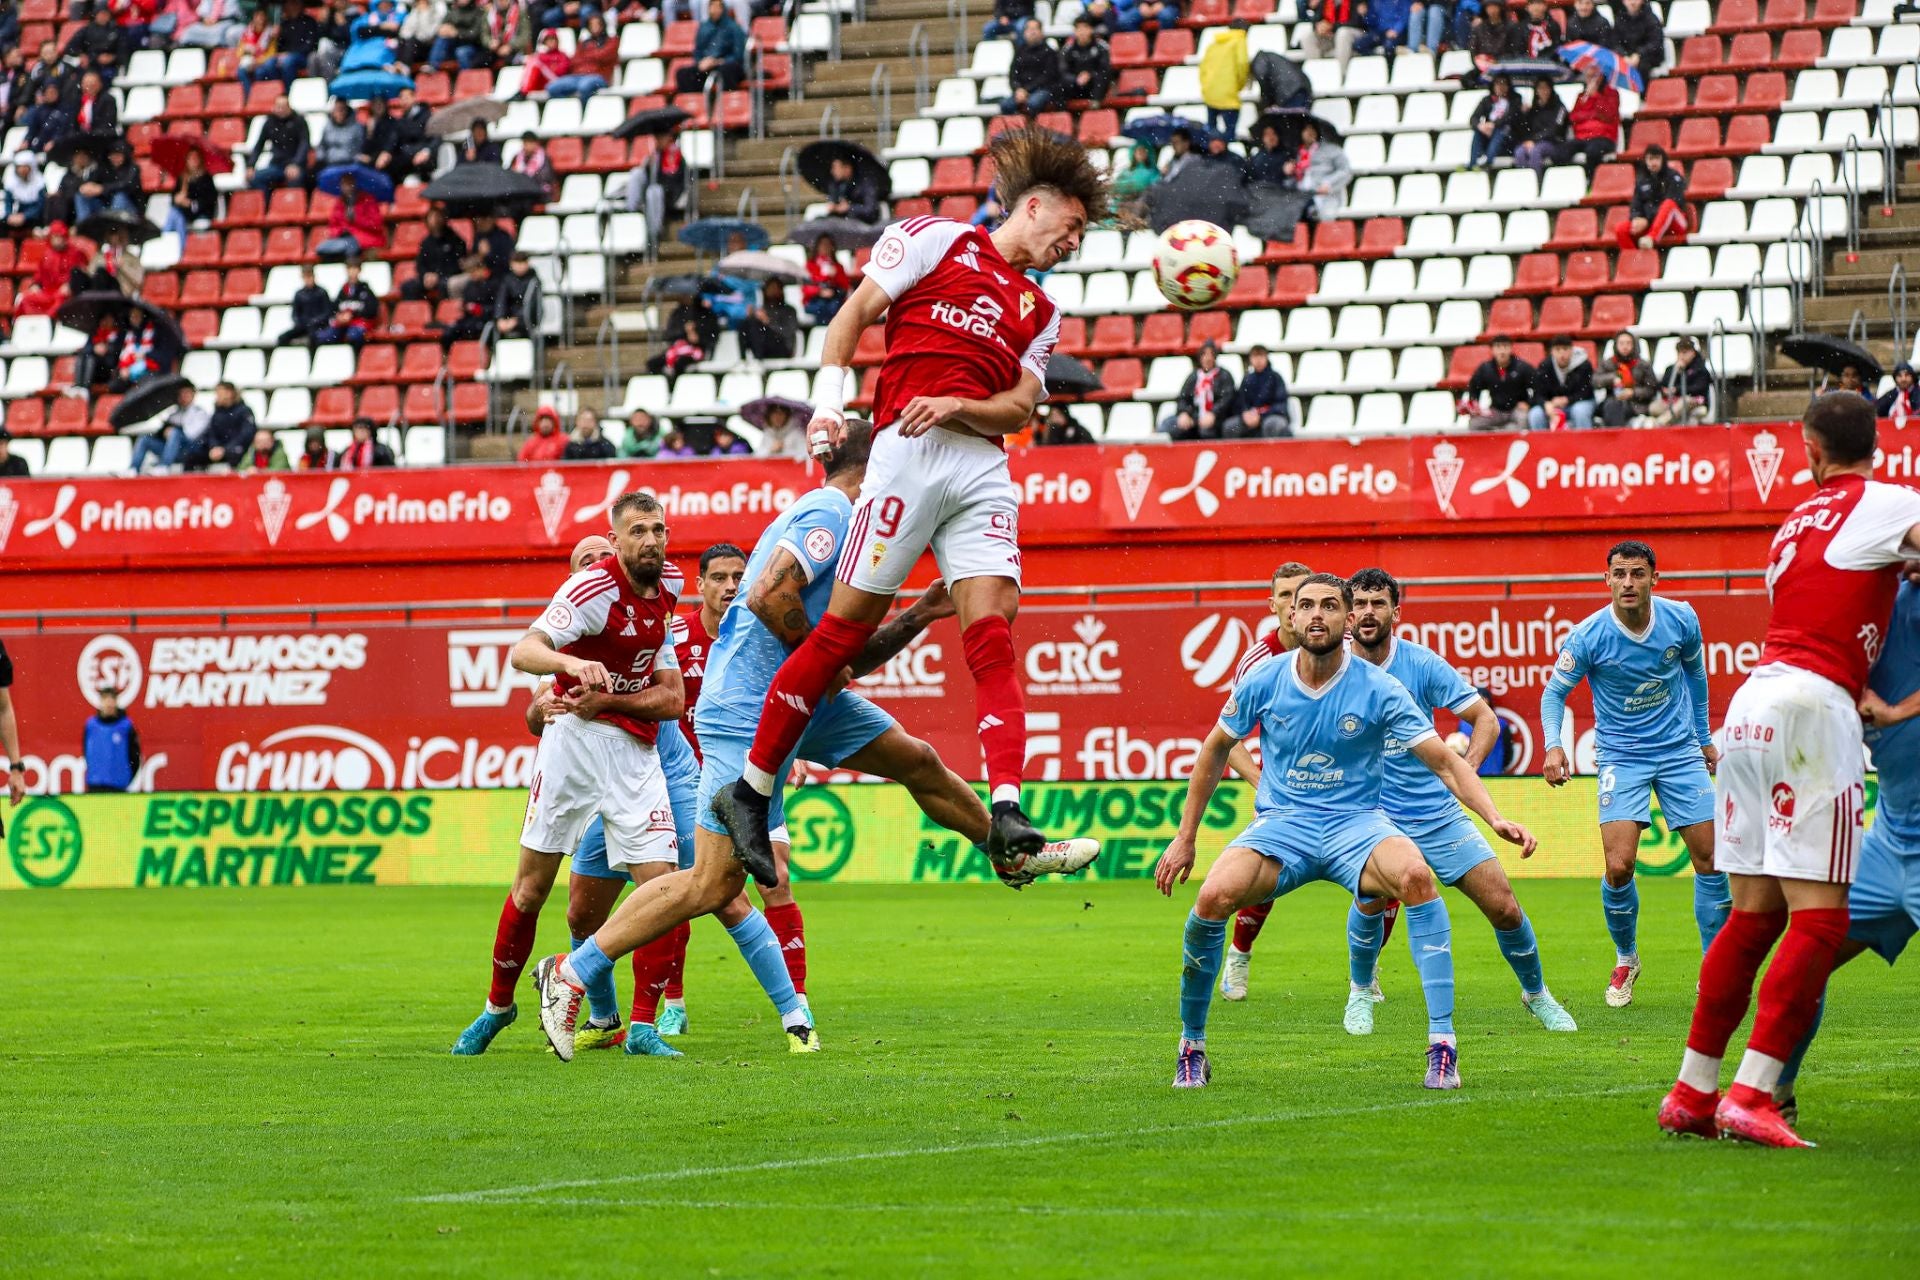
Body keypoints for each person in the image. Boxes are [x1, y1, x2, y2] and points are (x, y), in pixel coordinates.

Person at [529, 430, 1101, 1060]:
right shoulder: (830, 512)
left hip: (808, 703)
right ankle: (572, 973)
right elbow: (768, 594)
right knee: (711, 885)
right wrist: (819, 661)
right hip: (748, 707)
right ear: (876, 464)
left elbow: (847, 657)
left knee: (919, 761)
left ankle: (1009, 853)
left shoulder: (869, 531)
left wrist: (916, 617)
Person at [709, 128, 1109, 889]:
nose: (1074, 243)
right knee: (839, 634)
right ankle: (751, 793)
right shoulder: (935, 239)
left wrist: (960, 401)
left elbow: (1019, 403)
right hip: (905, 453)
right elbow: (851, 318)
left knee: (992, 632)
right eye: (1074, 227)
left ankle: (1009, 806)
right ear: (1035, 205)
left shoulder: (1042, 309)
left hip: (980, 465)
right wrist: (828, 409)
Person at [1155, 573, 1538, 1089]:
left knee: (1417, 879)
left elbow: (1445, 763)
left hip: (1357, 825)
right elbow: (1214, 750)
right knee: (1212, 896)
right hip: (1282, 826)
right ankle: (1191, 1047)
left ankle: (1442, 1046)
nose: (1316, 614)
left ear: (1347, 620)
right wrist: (1185, 837)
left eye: (1330, 606)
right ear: (1289, 617)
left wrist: (1493, 817)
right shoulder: (1264, 679)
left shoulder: (1382, 687)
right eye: (1305, 605)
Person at [1658, 396, 1920, 1147]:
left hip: (1750, 702)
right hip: (1815, 705)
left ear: (1809, 447)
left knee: (1753, 914)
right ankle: (1755, 1092)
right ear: (1874, 442)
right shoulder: (1884, 500)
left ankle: (1693, 1090)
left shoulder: (1792, 525)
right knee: (1821, 917)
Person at [451, 497, 695, 1056]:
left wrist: (608, 696)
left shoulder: (672, 586)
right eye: (637, 531)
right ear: (616, 540)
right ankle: (497, 1008)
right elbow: (524, 650)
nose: (651, 540)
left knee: (664, 889)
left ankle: (641, 1027)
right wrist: (568, 665)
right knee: (531, 888)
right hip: (573, 748)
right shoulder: (591, 591)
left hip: (635, 754)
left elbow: (672, 698)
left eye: (658, 529)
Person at [1336, 569, 1577, 1034]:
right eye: (1360, 604)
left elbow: (1484, 719)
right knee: (1370, 902)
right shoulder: (1333, 670)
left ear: (1395, 613)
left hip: (1435, 812)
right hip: (1372, 818)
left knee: (1504, 905)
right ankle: (1361, 992)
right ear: (1349, 614)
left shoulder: (1422, 664)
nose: (1368, 612)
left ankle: (1537, 994)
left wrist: (1464, 775)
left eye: (1378, 603)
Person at [1540, 540, 1727, 1009]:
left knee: (1711, 857)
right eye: (1619, 573)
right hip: (1622, 758)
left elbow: (1697, 679)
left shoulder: (1681, 619)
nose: (1628, 582)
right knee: (1619, 865)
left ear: (1653, 579)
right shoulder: (1587, 637)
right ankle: (1626, 957)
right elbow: (1552, 695)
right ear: (1606, 580)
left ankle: (1716, 965)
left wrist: (1703, 737)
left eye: (1637, 573)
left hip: (1680, 753)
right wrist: (1554, 745)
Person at [1766, 575, 1920, 1123]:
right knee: (1803, 961)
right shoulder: (1869, 605)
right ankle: (1772, 1096)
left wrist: (1900, 711)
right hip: (1888, 840)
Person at [1158, 341, 1235, 440]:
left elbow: (1227, 399)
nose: (1208, 358)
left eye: (1211, 354)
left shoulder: (1224, 376)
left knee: (1207, 432)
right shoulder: (1194, 377)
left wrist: (1214, 414)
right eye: (1204, 354)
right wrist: (1185, 413)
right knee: (1169, 424)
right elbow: (1182, 398)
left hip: (1217, 420)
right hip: (1194, 417)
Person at [1618, 145, 1689, 252]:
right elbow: (1635, 205)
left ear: (1662, 159)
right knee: (1621, 229)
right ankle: (1634, 261)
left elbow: (1675, 201)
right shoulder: (1642, 181)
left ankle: (1651, 238)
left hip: (1674, 224)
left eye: (1656, 158)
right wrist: (1636, 218)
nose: (1653, 162)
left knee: (1668, 204)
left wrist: (1647, 220)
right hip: (1651, 223)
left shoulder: (1673, 177)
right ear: (1645, 161)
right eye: (1650, 159)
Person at [129, 381, 208, 474]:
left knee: (175, 433)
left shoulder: (200, 413)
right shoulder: (173, 414)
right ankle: (133, 469)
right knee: (144, 438)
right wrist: (164, 430)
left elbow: (192, 435)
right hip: (172, 450)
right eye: (181, 394)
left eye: (187, 393)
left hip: (189, 451)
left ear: (193, 395)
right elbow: (162, 435)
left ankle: (164, 466)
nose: (183, 396)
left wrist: (175, 430)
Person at [185, 382, 257, 471]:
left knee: (236, 455)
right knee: (192, 455)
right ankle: (190, 483)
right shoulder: (217, 413)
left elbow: (246, 435)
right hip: (218, 451)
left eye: (219, 393)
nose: (217, 396)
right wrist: (214, 447)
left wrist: (225, 449)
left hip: (235, 449)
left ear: (229, 393)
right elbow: (211, 433)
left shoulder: (244, 411)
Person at [1465, 334, 1532, 431]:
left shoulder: (1522, 367)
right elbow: (1474, 386)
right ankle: (1488, 444)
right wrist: (1475, 405)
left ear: (1510, 348)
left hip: (1516, 409)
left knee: (1524, 419)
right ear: (1492, 350)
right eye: (1498, 347)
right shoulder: (1485, 368)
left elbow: (1537, 386)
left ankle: (1522, 444)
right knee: (1475, 423)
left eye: (1505, 346)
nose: (1502, 351)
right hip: (1496, 410)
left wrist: (1529, 403)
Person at [676, 0, 746, 93]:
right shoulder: (704, 27)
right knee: (683, 73)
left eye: (718, 7)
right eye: (712, 6)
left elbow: (738, 55)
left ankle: (727, 102)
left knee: (727, 70)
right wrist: (701, 63)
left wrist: (718, 61)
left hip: (726, 64)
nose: (714, 10)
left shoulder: (734, 27)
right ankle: (694, 103)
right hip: (708, 65)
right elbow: (698, 51)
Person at [401, 206, 467, 302]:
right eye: (431, 217)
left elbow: (458, 265)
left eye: (438, 216)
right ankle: (417, 312)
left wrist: (438, 276)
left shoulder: (455, 240)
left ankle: (444, 312)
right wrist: (426, 275)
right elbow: (420, 264)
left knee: (445, 286)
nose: (435, 220)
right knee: (408, 287)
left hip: (446, 277)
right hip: (429, 278)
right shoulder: (426, 242)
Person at [1529, 334, 1595, 430]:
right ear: (1552, 351)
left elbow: (1587, 392)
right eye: (1558, 350)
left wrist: (1567, 400)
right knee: (1535, 414)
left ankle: (1584, 443)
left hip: (1579, 402)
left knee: (1580, 411)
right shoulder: (1545, 366)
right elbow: (1538, 393)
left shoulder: (1584, 365)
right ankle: (1541, 444)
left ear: (1572, 350)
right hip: (1553, 405)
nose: (1562, 354)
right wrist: (1545, 404)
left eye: (1565, 349)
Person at [1593, 329, 1657, 427]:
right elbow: (1595, 381)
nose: (1625, 347)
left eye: (1628, 343)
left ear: (1634, 345)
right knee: (1612, 406)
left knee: (1615, 408)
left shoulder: (1643, 365)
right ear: (1616, 345)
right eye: (1621, 343)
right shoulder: (1608, 363)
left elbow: (1651, 389)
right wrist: (1612, 378)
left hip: (1636, 405)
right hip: (1612, 402)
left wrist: (1633, 393)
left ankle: (1615, 437)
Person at [1564, 63, 1619, 174]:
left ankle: (1591, 180)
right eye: (1588, 76)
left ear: (1601, 76)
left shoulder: (1612, 94)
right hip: (1582, 137)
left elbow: (1608, 115)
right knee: (1562, 151)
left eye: (1594, 76)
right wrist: (1592, 115)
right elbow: (1573, 117)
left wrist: (1595, 96)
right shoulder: (1581, 96)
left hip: (1603, 137)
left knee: (1593, 151)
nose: (1590, 80)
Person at [315, 173, 386, 260]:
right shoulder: (340, 203)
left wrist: (356, 219)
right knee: (322, 248)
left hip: (365, 237)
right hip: (344, 238)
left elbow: (376, 225)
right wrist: (342, 231)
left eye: (349, 183)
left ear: (355, 183)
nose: (346, 187)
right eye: (343, 184)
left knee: (350, 248)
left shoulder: (368, 200)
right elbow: (333, 225)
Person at [1198, 18, 1248, 139]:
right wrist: (1240, 85)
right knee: (1229, 134)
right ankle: (1225, 155)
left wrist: (1206, 86)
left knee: (1211, 134)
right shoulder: (1240, 40)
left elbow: (1203, 68)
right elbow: (1242, 64)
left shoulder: (1215, 43)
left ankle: (1211, 155)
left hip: (1210, 93)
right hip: (1228, 93)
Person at [1291, 119, 1351, 221]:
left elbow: (1346, 171)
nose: (1310, 132)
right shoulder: (1295, 154)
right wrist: (1288, 172)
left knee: (1326, 217)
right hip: (1301, 197)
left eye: (1312, 129)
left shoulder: (1332, 150)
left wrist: (1328, 184)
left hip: (1325, 196)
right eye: (1306, 129)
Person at [161, 145, 219, 250]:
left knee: (178, 217)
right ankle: (166, 243)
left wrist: (192, 204)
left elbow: (209, 199)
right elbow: (173, 198)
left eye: (195, 158)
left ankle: (179, 248)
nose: (193, 161)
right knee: (175, 214)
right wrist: (177, 199)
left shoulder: (206, 178)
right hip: (184, 212)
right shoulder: (182, 177)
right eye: (190, 158)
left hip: (201, 213)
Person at [1001, 18, 1062, 117]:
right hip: (1022, 90)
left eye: (1035, 29)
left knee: (1033, 104)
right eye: (1029, 29)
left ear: (1041, 32)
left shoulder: (1049, 52)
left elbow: (1048, 76)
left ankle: (1033, 130)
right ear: (1024, 33)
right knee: (1005, 105)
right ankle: (1014, 130)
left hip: (1043, 89)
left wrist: (1027, 90)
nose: (1032, 32)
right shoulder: (1020, 51)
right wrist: (1018, 89)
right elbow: (1013, 74)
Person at [248, 95, 310, 192]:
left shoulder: (299, 121)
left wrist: (296, 164)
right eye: (278, 106)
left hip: (296, 164)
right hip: (276, 164)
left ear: (289, 107)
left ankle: (292, 205)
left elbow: (304, 144)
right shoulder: (270, 122)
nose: (280, 110)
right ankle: (266, 205)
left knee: (295, 179)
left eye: (283, 107)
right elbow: (259, 145)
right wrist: (251, 165)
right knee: (256, 178)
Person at [1511, 76, 1569, 173]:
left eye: (1546, 87)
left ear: (1551, 89)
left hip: (1554, 143)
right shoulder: (1533, 110)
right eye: (1540, 88)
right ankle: (1524, 181)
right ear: (1536, 90)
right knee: (1519, 152)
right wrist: (1522, 114)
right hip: (1534, 142)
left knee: (1535, 151)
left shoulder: (1560, 107)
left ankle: (1536, 183)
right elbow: (1524, 129)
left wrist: (1534, 141)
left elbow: (1555, 130)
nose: (1543, 91)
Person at [1647, 337, 1712, 425]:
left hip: (1694, 401)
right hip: (1673, 401)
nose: (1681, 356)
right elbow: (1664, 384)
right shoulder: (1671, 368)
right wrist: (1675, 374)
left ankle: (1659, 423)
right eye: (1679, 352)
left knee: (1685, 401)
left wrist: (1677, 389)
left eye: (1685, 352)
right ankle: (1666, 421)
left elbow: (1700, 388)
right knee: (1653, 407)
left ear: (1693, 353)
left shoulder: (1700, 369)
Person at [315, 260, 378, 346]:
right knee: (324, 336)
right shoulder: (344, 290)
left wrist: (352, 315)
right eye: (349, 269)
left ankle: (357, 356)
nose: (352, 272)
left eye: (354, 269)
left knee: (353, 335)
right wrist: (339, 316)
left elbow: (371, 310)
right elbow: (334, 308)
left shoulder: (365, 290)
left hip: (358, 324)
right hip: (343, 325)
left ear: (359, 270)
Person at [1233, 344, 1290, 438]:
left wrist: (1261, 415)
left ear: (1266, 358)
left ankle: (1272, 452)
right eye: (1255, 356)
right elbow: (1241, 402)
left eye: (1261, 356)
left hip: (1271, 416)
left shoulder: (1276, 378)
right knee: (1231, 426)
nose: (1258, 360)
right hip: (1251, 417)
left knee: (1271, 424)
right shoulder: (1247, 379)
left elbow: (1281, 405)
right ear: (1250, 359)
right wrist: (1245, 414)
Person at [1468, 74, 1522, 171]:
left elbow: (1510, 117)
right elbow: (1473, 118)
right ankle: (1473, 164)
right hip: (1490, 138)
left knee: (1500, 130)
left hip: (1508, 139)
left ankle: (1488, 162)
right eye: (1498, 83)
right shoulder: (1487, 100)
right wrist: (1481, 126)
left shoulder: (1515, 99)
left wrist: (1493, 125)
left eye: (1503, 83)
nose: (1500, 86)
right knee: (1478, 132)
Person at [740, 278, 798, 361]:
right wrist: (751, 315)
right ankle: (743, 359)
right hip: (764, 348)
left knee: (754, 324)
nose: (772, 291)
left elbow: (787, 333)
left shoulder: (789, 310)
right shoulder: (763, 309)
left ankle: (758, 359)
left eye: (774, 288)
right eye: (769, 288)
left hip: (782, 347)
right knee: (746, 323)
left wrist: (767, 321)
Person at [802, 233, 849, 325]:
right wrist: (820, 291)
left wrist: (835, 276)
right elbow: (806, 288)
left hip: (834, 300)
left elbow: (844, 288)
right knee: (822, 307)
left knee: (834, 307)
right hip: (815, 301)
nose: (825, 247)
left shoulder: (838, 267)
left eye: (828, 244)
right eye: (822, 244)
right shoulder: (810, 266)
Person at [493, 249, 541, 339]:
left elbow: (532, 304)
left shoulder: (533, 280)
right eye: (517, 263)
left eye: (522, 262)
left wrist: (517, 320)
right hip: (509, 317)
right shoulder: (507, 280)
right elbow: (501, 300)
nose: (519, 266)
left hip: (528, 318)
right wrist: (500, 318)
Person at [1062, 15, 1110, 103]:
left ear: (1091, 30)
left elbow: (1105, 68)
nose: (1082, 32)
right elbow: (1063, 70)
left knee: (1102, 76)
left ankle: (1095, 102)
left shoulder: (1101, 46)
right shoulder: (1068, 49)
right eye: (1079, 28)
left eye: (1085, 28)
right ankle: (1062, 110)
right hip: (1075, 84)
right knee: (1059, 81)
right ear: (1075, 31)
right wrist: (1076, 78)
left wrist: (1090, 75)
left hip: (1094, 84)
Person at [1301, 0, 1362, 68]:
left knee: (1343, 33)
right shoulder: (1325, 2)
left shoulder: (1356, 1)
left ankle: (1342, 74)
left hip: (1352, 35)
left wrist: (1332, 26)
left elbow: (1357, 22)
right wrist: (1319, 26)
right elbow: (1316, 19)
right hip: (1330, 36)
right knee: (1307, 37)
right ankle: (1317, 71)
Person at [1613, 0, 1665, 78]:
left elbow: (1655, 43)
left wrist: (1639, 54)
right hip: (1626, 56)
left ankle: (1641, 90)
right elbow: (1615, 42)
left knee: (1641, 67)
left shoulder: (1652, 19)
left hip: (1648, 57)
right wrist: (1624, 55)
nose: (1632, 2)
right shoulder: (1619, 19)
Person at [315, 98, 366, 171]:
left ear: (347, 110)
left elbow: (358, 148)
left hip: (350, 165)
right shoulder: (327, 126)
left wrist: (349, 158)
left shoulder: (356, 127)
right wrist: (321, 157)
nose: (340, 113)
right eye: (337, 109)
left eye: (342, 109)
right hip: (329, 164)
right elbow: (322, 145)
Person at [509, 131, 557, 202]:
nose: (528, 145)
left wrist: (522, 175)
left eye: (530, 142)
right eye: (525, 142)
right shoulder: (517, 157)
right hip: (522, 190)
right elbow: (510, 173)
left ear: (536, 143)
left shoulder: (544, 158)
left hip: (540, 191)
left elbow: (546, 177)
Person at [4, 152, 45, 230]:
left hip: (34, 215)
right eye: (19, 167)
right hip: (18, 213)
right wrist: (9, 215)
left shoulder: (39, 182)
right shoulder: (11, 182)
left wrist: (25, 216)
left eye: (25, 167)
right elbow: (8, 202)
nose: (22, 170)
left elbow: (40, 205)